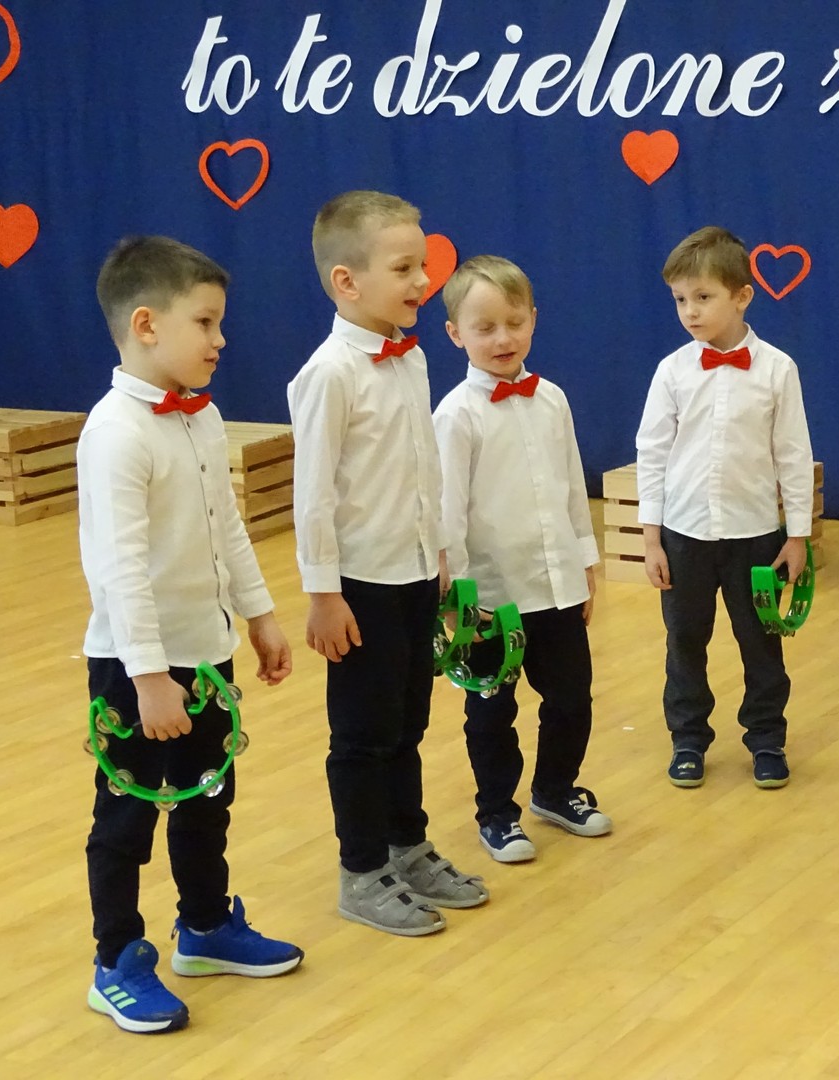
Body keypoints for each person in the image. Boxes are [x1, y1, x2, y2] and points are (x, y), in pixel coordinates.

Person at [80, 235, 302, 1034]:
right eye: (205, 323)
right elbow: (120, 570)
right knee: (128, 816)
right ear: (147, 324)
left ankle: (205, 927)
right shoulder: (116, 432)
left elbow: (226, 529)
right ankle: (116, 960)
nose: (220, 339)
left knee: (208, 797)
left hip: (206, 653)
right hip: (135, 667)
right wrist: (148, 677)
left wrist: (260, 615)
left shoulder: (202, 419)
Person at [289, 191, 487, 935]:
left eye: (422, 266)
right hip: (360, 586)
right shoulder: (330, 374)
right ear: (347, 281)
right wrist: (323, 592)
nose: (423, 281)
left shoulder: (412, 357)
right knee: (363, 734)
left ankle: (408, 846)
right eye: (404, 268)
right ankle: (362, 869)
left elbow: (422, 470)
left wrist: (439, 555)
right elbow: (313, 495)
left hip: (414, 574)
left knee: (408, 722)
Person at [433, 255, 611, 864]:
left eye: (514, 323)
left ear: (533, 319)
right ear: (455, 333)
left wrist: (584, 561)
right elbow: (447, 514)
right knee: (491, 711)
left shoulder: (552, 399)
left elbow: (571, 486)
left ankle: (555, 791)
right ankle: (497, 814)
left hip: (555, 584)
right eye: (484, 328)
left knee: (572, 699)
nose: (502, 338)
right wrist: (455, 597)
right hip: (491, 598)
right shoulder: (455, 415)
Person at [635, 226, 815, 789]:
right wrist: (650, 538)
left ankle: (766, 739)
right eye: (680, 300)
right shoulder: (672, 370)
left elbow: (793, 454)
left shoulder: (777, 369)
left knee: (761, 644)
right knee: (685, 643)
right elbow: (651, 453)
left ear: (742, 296)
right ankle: (688, 739)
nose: (690, 311)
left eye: (703, 297)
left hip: (755, 534)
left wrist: (798, 535)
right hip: (684, 535)